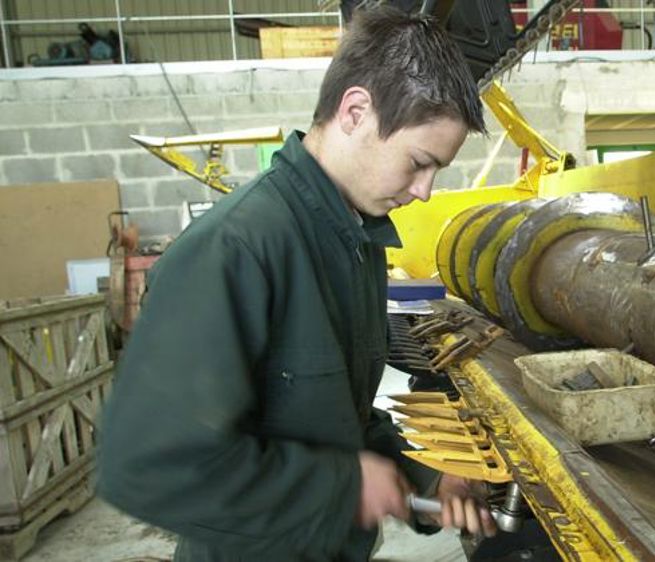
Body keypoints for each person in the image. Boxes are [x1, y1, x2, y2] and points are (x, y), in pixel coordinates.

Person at [98, 7, 495, 561]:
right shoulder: (235, 249)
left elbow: (335, 420)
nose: (425, 190)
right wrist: (340, 487)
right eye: (418, 163)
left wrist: (428, 479)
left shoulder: (357, 243)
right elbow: (147, 466)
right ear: (355, 111)